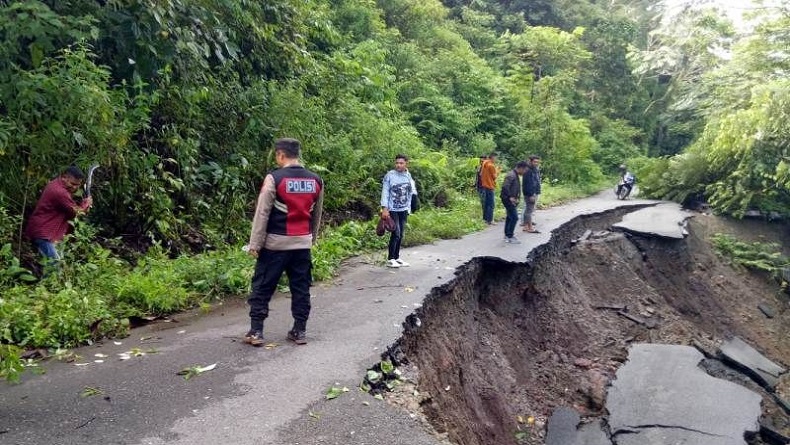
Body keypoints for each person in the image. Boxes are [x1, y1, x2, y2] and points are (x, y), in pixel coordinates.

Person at [245, 138, 324, 347]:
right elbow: (316, 214)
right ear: (297, 154)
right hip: (302, 245)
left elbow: (262, 213)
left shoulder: (274, 178)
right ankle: (299, 331)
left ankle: (256, 331)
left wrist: (255, 244)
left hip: (275, 245)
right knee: (301, 288)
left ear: (280, 154)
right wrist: (311, 239)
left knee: (262, 287)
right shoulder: (316, 180)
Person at [24, 165, 93, 268]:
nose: (74, 187)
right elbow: (76, 212)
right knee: (55, 267)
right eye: (72, 184)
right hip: (44, 234)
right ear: (64, 177)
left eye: (77, 185)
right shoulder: (59, 192)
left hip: (49, 234)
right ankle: (45, 284)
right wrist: (86, 204)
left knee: (57, 267)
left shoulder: (57, 184)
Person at [381, 154, 414, 268]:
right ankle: (391, 258)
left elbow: (410, 193)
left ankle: (397, 257)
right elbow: (385, 192)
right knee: (396, 233)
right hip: (393, 209)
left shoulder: (408, 176)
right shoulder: (390, 176)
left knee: (401, 234)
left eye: (401, 163)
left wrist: (409, 208)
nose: (398, 165)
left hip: (403, 209)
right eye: (397, 163)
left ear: (406, 164)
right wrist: (385, 208)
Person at [501, 161, 528, 244]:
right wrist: (510, 197)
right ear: (521, 168)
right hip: (508, 199)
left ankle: (507, 235)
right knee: (515, 217)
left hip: (509, 199)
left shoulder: (515, 174)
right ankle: (510, 236)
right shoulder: (511, 175)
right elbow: (505, 187)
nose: (524, 172)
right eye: (524, 170)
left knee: (510, 217)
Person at [522, 155, 541, 233]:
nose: (536, 163)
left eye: (537, 162)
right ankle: (529, 227)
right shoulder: (528, 171)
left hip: (534, 192)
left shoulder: (534, 169)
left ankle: (526, 226)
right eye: (535, 162)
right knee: (529, 210)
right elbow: (528, 184)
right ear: (530, 161)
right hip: (530, 193)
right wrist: (531, 194)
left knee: (528, 209)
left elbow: (536, 181)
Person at [480, 152, 499, 225]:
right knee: (491, 204)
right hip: (490, 186)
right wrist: (498, 170)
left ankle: (485, 219)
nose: (496, 159)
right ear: (493, 157)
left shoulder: (484, 163)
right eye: (496, 157)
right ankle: (490, 220)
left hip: (484, 185)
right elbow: (494, 177)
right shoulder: (491, 165)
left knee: (486, 203)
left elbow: (481, 174)